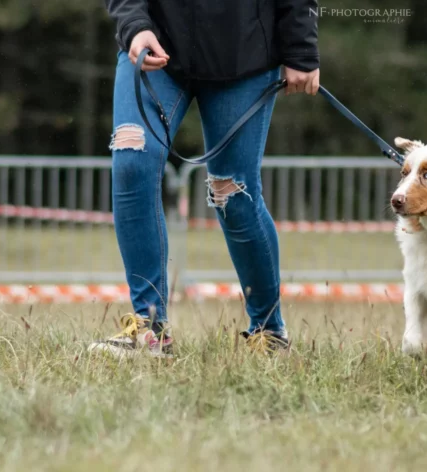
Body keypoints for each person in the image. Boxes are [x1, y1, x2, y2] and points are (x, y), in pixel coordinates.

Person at [88, 0, 319, 358]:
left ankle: (270, 333)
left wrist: (301, 46)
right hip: (155, 48)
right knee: (132, 161)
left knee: (233, 193)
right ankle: (149, 329)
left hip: (245, 56)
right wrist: (133, 25)